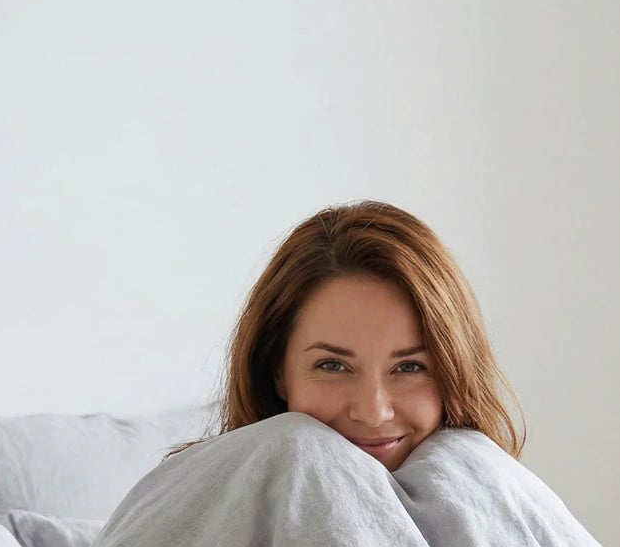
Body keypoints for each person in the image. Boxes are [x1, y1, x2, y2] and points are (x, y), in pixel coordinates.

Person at [167, 200, 525, 470]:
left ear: (455, 370)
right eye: (333, 365)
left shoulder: (497, 497)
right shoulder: (196, 507)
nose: (373, 413)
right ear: (276, 372)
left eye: (410, 367)